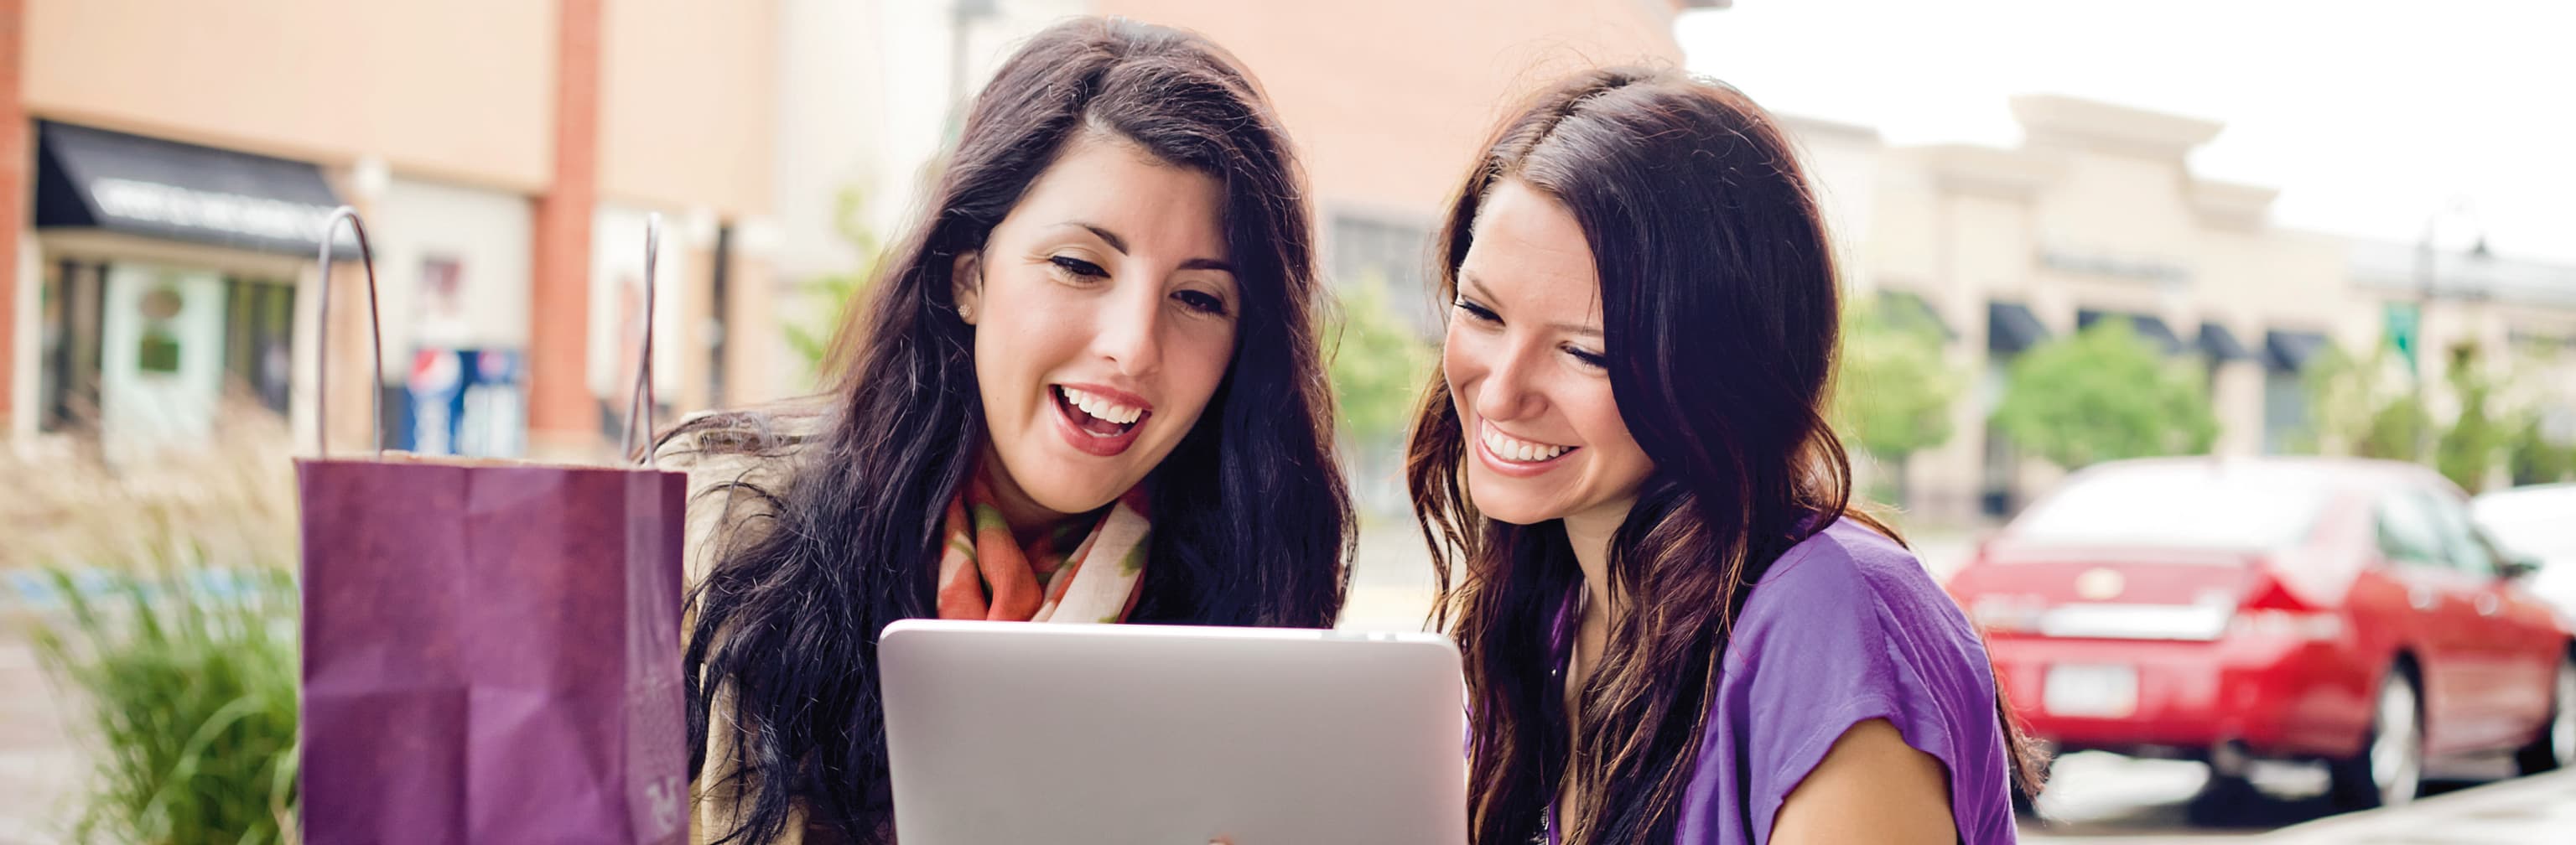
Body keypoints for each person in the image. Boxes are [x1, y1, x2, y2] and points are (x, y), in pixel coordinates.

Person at [657, 18, 1352, 844]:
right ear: (970, 278)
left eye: (1200, 298)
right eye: (1080, 265)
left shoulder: (1254, 604)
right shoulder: (720, 525)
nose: (1132, 346)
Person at [1409, 67, 2045, 844]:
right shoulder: (1547, 609)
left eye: (1586, 353)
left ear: (1717, 370)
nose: (1502, 393)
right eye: (1480, 311)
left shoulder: (1828, 617)